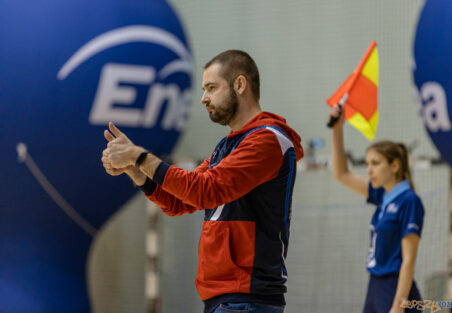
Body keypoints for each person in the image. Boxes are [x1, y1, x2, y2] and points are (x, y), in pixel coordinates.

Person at [101, 50, 304, 313]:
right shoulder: (227, 145)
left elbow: (203, 191)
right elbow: (178, 201)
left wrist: (140, 156)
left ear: (240, 85)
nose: (203, 98)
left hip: (246, 299)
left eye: (211, 87)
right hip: (225, 298)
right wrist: (135, 170)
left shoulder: (265, 140)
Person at [329, 106, 424, 313]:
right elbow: (342, 174)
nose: (369, 169)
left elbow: (409, 260)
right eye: (367, 163)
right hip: (375, 285)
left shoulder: (409, 200)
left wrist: (398, 305)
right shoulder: (382, 196)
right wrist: (337, 129)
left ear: (395, 166)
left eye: (375, 163)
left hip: (394, 289)